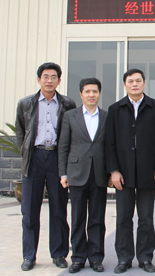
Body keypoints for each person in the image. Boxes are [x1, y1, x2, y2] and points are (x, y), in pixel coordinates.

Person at [105, 69, 155, 274]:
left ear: (144, 83)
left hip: (147, 171)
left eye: (138, 80)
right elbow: (109, 143)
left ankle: (145, 257)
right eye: (130, 81)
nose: (135, 84)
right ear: (125, 85)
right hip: (122, 173)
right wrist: (113, 170)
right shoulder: (115, 109)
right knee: (123, 218)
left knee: (146, 218)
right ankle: (124, 258)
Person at [15, 62, 76, 271]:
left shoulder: (67, 104)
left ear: (59, 80)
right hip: (34, 158)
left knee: (59, 209)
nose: (49, 80)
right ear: (38, 79)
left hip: (58, 158)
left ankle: (59, 254)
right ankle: (29, 256)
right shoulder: (25, 103)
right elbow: (20, 133)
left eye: (53, 77)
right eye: (46, 77)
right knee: (30, 210)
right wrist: (26, 154)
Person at [58, 78, 108, 273]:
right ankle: (78, 257)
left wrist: (111, 172)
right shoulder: (70, 116)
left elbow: (110, 146)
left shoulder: (107, 116)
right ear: (81, 94)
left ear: (99, 94)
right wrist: (63, 173)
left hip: (99, 174)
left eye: (94, 91)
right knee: (78, 217)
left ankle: (96, 257)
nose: (91, 95)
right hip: (77, 172)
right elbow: (63, 146)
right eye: (87, 91)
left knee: (97, 218)